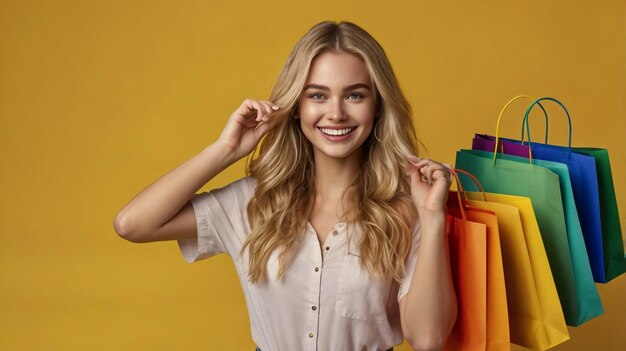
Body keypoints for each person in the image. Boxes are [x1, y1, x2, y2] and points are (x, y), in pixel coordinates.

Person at [114, 20, 457, 351]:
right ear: (296, 107)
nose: (336, 113)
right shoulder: (253, 202)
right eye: (318, 96)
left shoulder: (408, 208)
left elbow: (427, 340)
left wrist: (431, 218)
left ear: (377, 106)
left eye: (354, 95)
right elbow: (133, 224)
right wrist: (225, 151)